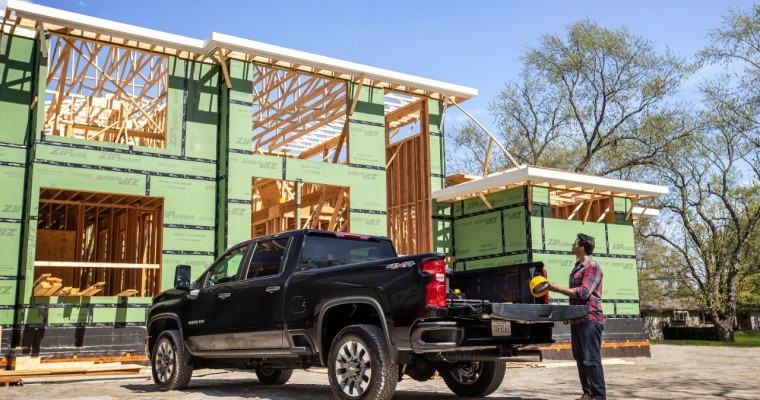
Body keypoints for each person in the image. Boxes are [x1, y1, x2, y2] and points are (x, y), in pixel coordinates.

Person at [547, 233, 606, 400]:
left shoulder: (592, 267)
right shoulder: (577, 267)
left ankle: (598, 396)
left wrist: (558, 289)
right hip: (578, 319)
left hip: (590, 319)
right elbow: (576, 296)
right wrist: (570, 314)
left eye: (575, 243)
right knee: (580, 358)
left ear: (582, 247)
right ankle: (587, 393)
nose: (572, 245)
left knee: (591, 360)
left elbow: (584, 292)